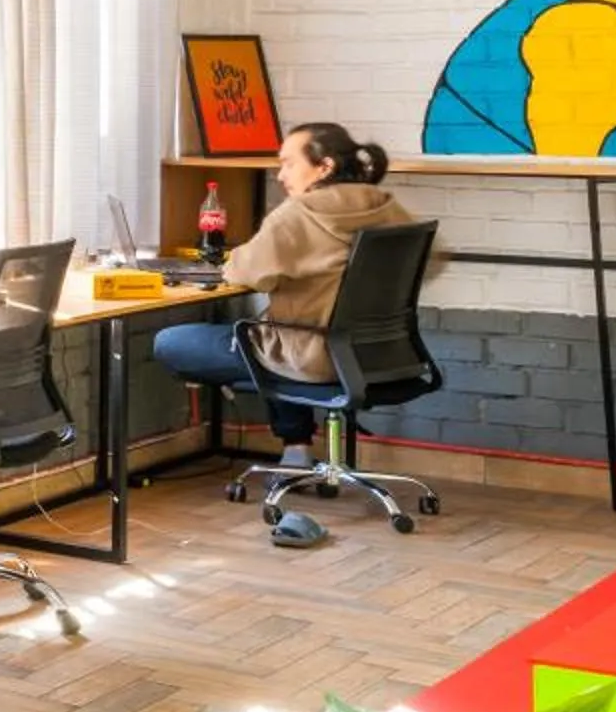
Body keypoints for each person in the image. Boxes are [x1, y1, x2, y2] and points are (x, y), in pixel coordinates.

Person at [150, 123, 418, 461]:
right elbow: (431, 262)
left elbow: (240, 273)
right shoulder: (385, 206)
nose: (280, 175)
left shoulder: (297, 214)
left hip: (314, 360)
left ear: (325, 167)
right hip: (383, 356)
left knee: (172, 343)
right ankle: (296, 448)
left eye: (289, 163)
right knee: (271, 332)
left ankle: (296, 447)